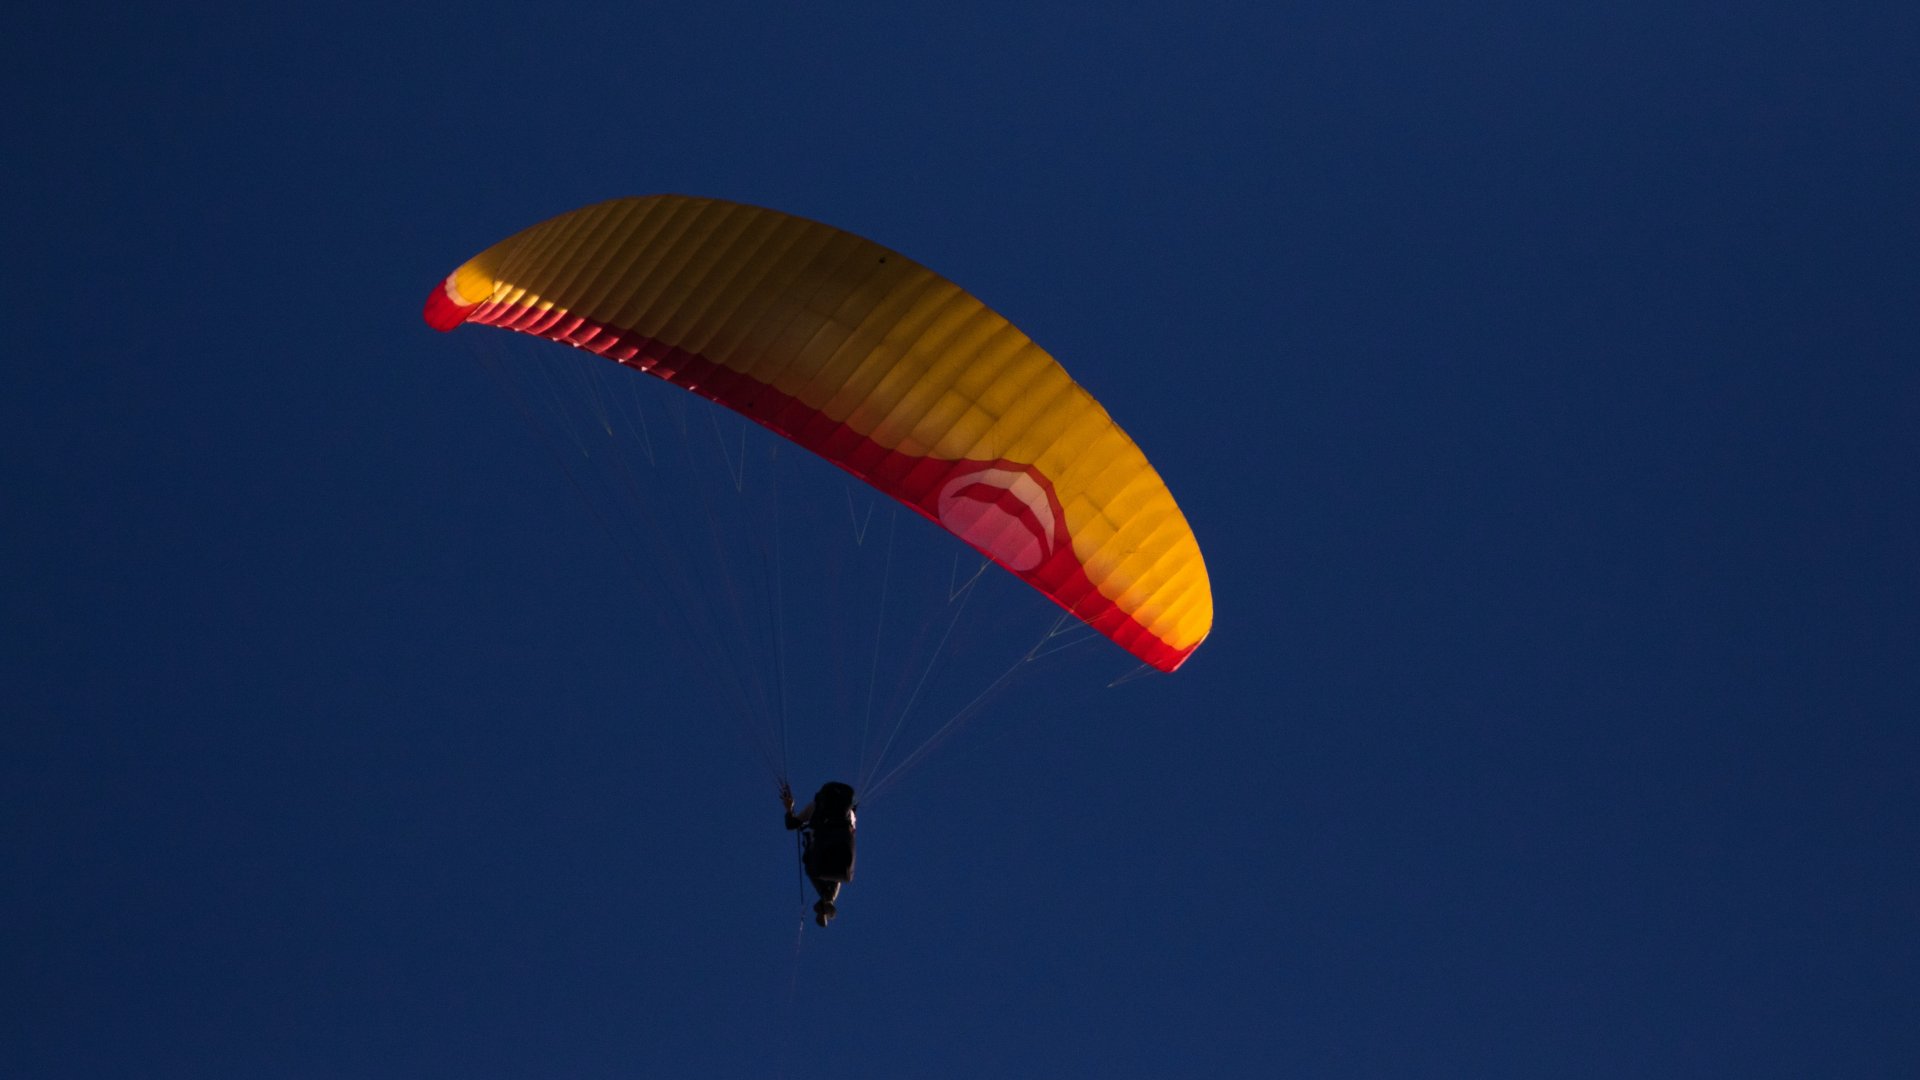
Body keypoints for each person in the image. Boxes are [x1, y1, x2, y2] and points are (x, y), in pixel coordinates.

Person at [782, 781, 857, 927]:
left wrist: (789, 809)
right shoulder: (852, 815)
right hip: (844, 859)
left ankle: (826, 900)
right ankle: (826, 901)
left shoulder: (815, 807)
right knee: (837, 871)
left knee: (811, 866)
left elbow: (791, 824)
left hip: (824, 856)